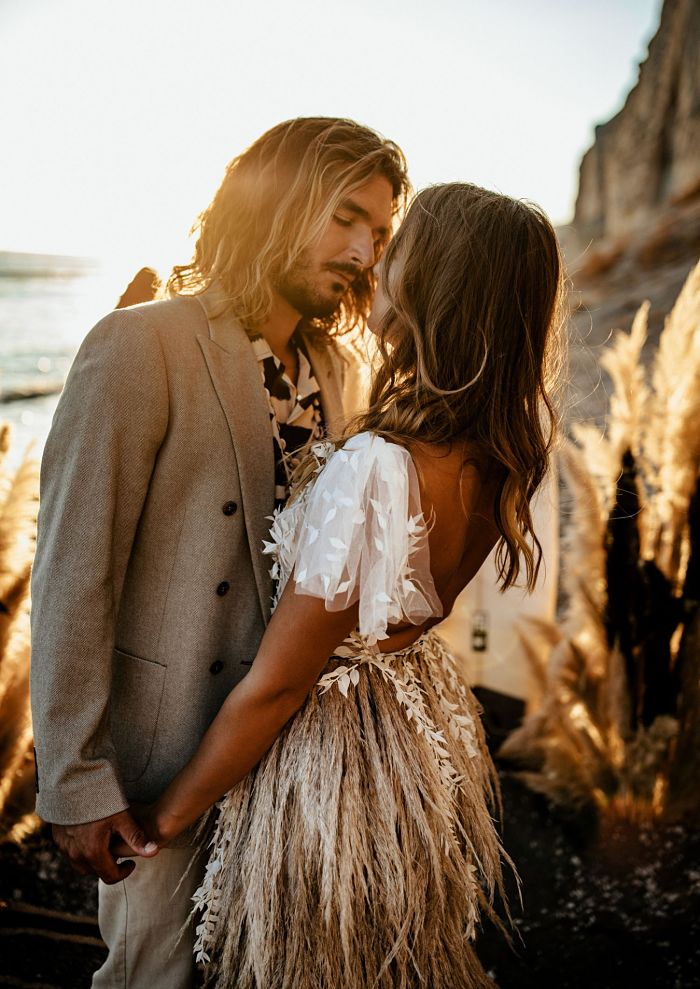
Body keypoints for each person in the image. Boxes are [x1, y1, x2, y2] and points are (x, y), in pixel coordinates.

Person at [125, 182, 565, 988]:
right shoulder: (496, 452)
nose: (374, 261)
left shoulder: (379, 466)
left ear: (433, 284)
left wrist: (163, 820)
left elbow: (278, 685)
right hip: (406, 733)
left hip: (328, 756)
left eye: (396, 248)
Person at [29, 117, 409, 988]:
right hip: (159, 760)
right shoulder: (139, 344)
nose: (362, 250)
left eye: (379, 234)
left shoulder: (341, 373)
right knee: (155, 975)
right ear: (273, 207)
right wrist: (77, 778)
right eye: (343, 217)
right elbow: (73, 573)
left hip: (288, 756)